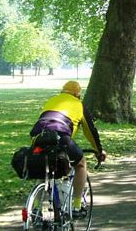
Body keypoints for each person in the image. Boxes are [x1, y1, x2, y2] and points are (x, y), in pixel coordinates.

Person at [30, 81, 106, 217]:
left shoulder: (52, 100)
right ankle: (77, 206)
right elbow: (90, 131)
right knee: (80, 163)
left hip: (37, 136)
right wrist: (99, 151)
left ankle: (36, 208)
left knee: (44, 167)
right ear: (78, 94)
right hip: (61, 136)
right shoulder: (79, 104)